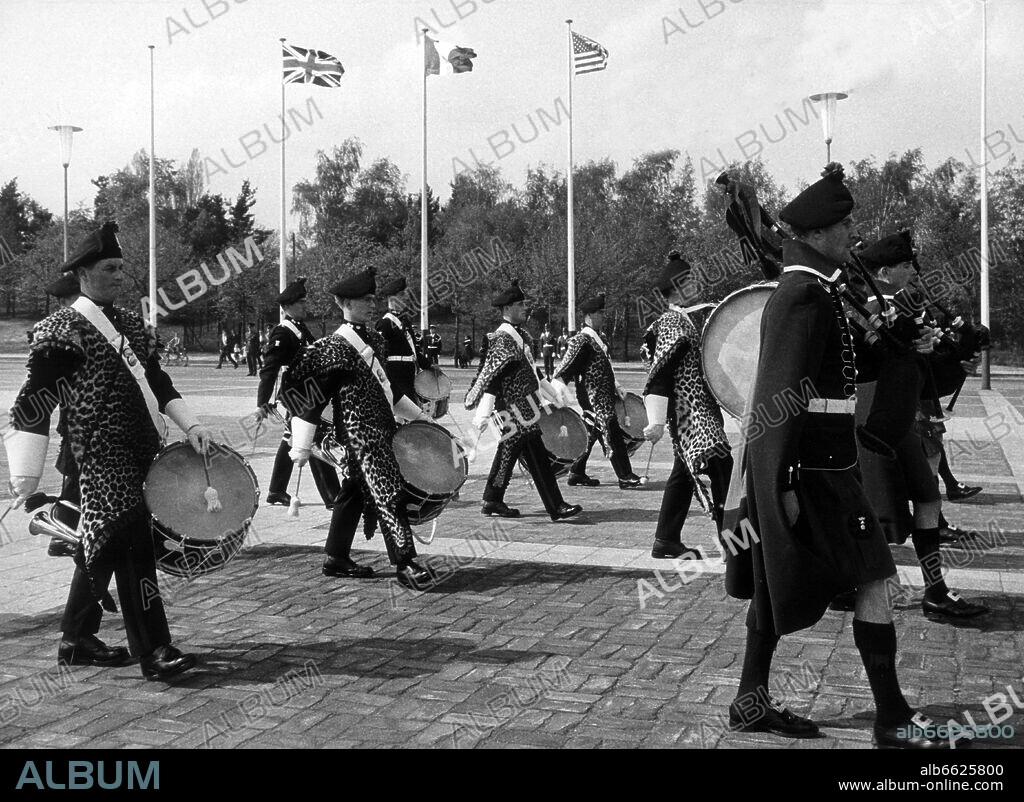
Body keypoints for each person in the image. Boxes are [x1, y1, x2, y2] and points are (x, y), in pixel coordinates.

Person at [723, 164, 962, 748]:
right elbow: (779, 396)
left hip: (825, 470)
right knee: (874, 578)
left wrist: (901, 349)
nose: (853, 233)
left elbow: (846, 372)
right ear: (820, 233)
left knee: (772, 582)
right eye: (845, 224)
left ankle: (749, 703)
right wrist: (780, 487)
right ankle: (893, 717)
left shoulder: (818, 293)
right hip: (813, 476)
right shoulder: (801, 295)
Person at [5, 221, 213, 680]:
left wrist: (192, 425)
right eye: (110, 267)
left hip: (141, 453)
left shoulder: (132, 325)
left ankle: (76, 639)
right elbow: (34, 402)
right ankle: (154, 650)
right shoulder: (63, 329)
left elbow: (158, 383)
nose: (120, 275)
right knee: (133, 547)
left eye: (121, 266)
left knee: (103, 544)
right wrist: (26, 476)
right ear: (83, 273)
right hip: (99, 458)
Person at [851, 233, 987, 620]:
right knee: (872, 510)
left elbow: (918, 368)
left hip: (901, 417)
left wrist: (953, 358)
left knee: (927, 498)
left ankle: (934, 590)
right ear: (884, 272)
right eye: (906, 265)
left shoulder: (902, 309)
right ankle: (856, 588)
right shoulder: (869, 309)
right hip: (874, 418)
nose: (913, 271)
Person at [281, 268, 433, 588]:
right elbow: (312, 399)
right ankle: (406, 562)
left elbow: (388, 389)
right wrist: (301, 445)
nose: (371, 304)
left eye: (372, 298)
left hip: (382, 428)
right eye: (363, 299)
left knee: (352, 492)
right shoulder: (334, 347)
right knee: (387, 492)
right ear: (342, 302)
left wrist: (420, 416)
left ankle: (336, 557)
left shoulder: (376, 338)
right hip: (359, 434)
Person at [465, 279, 582, 521]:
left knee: (507, 455)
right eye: (519, 305)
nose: (524, 308)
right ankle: (556, 506)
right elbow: (491, 377)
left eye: (523, 304)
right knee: (536, 456)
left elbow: (534, 372)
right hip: (512, 410)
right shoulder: (501, 338)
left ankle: (492, 499)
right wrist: (482, 415)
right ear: (506, 309)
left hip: (526, 409)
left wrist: (553, 395)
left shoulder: (521, 336)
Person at [641, 253, 732, 558]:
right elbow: (660, 374)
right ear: (677, 289)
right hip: (689, 413)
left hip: (697, 410)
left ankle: (666, 539)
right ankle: (733, 541)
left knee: (683, 474)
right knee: (721, 466)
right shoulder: (671, 322)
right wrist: (654, 419)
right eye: (690, 281)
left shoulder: (684, 318)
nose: (696, 284)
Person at [254, 278, 341, 508]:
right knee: (312, 439)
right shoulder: (283, 332)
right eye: (301, 302)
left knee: (292, 440)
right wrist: (262, 402)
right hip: (296, 397)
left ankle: (276, 491)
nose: (305, 306)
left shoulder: (300, 328)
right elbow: (269, 369)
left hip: (308, 395)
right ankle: (333, 497)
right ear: (288, 306)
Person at [551, 294, 641, 489]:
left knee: (591, 431)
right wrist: (556, 394)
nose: (603, 316)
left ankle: (576, 472)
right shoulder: (582, 340)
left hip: (603, 395)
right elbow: (564, 369)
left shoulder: (598, 339)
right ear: (589, 316)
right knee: (612, 431)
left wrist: (616, 385)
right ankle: (625, 475)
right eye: (600, 313)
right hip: (593, 397)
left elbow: (604, 367)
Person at [36, 272, 83, 559]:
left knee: (74, 481)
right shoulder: (66, 334)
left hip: (76, 424)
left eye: (67, 300)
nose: (64, 306)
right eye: (64, 301)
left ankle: (64, 533)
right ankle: (62, 535)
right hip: (77, 426)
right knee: (74, 481)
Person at [376, 276, 431, 412]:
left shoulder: (404, 321)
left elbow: (412, 350)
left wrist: (429, 366)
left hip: (408, 373)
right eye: (401, 295)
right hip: (395, 374)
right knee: (407, 412)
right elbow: (378, 352)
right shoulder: (385, 323)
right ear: (392, 298)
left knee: (409, 413)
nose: (406, 297)